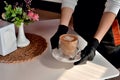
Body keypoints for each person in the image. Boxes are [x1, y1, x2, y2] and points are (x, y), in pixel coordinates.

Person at [50, 0, 120, 68]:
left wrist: (95, 43)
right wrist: (62, 28)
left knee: (105, 66)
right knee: (80, 65)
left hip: (106, 30)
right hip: (82, 23)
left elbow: (113, 4)